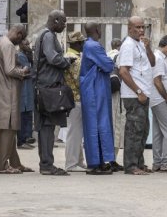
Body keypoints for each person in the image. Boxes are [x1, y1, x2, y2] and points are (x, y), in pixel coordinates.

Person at [34, 10, 73, 176]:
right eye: (63, 22)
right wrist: (66, 61)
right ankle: (47, 165)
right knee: (48, 127)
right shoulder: (48, 36)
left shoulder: (44, 35)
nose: (64, 26)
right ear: (56, 20)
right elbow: (53, 58)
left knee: (46, 127)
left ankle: (45, 163)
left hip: (44, 86)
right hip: (48, 87)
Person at [0, 25, 33, 173]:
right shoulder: (8, 46)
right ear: (18, 34)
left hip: (0, 90)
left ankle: (15, 163)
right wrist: (23, 71)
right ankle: (2, 166)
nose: (20, 42)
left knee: (11, 129)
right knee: (8, 128)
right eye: (21, 38)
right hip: (8, 91)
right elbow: (9, 70)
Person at [118, 16, 156, 175]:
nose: (141, 30)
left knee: (143, 130)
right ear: (129, 28)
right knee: (134, 130)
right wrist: (138, 91)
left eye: (143, 27)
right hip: (134, 95)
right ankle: (131, 165)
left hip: (143, 94)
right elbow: (123, 71)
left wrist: (148, 48)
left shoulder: (140, 44)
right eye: (138, 27)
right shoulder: (128, 45)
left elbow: (153, 63)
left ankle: (139, 163)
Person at [81, 22, 117, 175]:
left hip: (97, 90)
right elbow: (108, 65)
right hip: (94, 92)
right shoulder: (93, 46)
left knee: (100, 125)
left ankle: (101, 161)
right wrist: (107, 63)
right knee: (96, 126)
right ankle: (95, 163)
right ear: (97, 30)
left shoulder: (89, 45)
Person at [149, 35, 167, 172]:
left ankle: (157, 163)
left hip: (155, 100)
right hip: (161, 100)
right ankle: (165, 163)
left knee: (158, 133)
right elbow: (157, 80)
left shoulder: (157, 57)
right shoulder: (159, 58)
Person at [63, 31, 87, 171]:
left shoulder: (69, 55)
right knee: (74, 132)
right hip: (76, 98)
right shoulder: (75, 59)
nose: (83, 44)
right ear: (77, 43)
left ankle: (78, 161)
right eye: (82, 42)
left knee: (76, 131)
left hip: (71, 98)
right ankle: (71, 163)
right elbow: (79, 79)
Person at [16, 38, 36, 148]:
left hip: (29, 89)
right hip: (23, 90)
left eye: (28, 43)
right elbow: (25, 72)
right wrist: (28, 72)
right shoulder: (20, 56)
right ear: (20, 44)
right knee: (22, 116)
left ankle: (27, 138)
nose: (28, 45)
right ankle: (21, 141)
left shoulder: (28, 55)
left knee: (28, 115)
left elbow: (31, 71)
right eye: (26, 43)